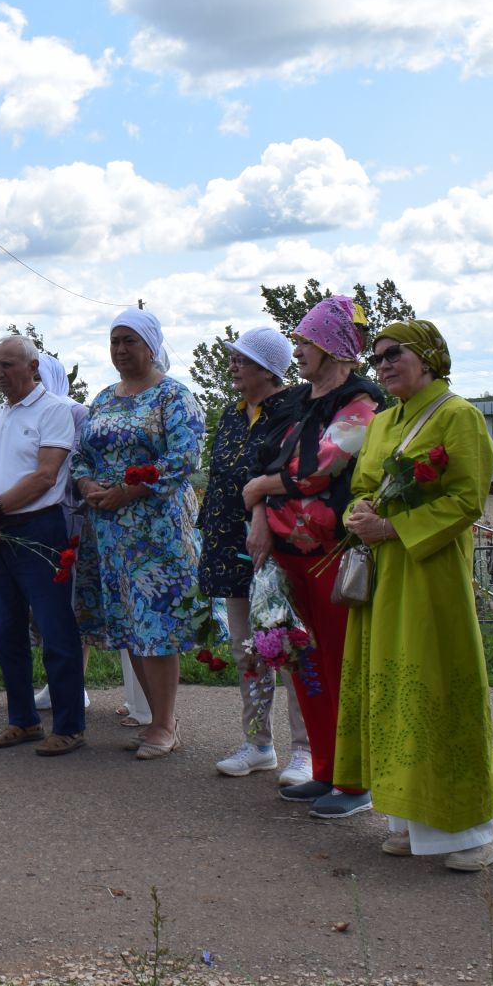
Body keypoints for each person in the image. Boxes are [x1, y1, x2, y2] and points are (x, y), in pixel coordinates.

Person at [337, 320, 493, 871]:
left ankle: (470, 832)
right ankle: (407, 817)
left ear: (428, 357)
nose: (381, 365)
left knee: (434, 684)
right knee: (392, 687)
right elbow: (361, 486)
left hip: (429, 576)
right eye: (376, 357)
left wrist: (396, 530)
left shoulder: (460, 416)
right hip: (385, 575)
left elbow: (467, 499)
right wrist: (357, 515)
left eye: (393, 354)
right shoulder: (382, 422)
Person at [245, 296, 382, 818]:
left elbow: (320, 467)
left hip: (332, 556)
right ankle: (324, 768)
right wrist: (258, 503)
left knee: (340, 665)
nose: (297, 351)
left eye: (306, 342)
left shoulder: (360, 406)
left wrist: (259, 487)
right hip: (286, 552)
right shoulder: (298, 402)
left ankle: (354, 781)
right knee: (305, 665)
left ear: (333, 348)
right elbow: (262, 464)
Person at [71, 309, 206, 760]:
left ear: (151, 344)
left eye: (130, 341)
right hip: (109, 529)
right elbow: (82, 453)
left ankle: (165, 724)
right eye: (114, 342)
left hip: (155, 527)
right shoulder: (105, 397)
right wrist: (88, 484)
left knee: (157, 625)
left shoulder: (173, 396)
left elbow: (185, 456)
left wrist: (129, 490)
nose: (121, 350)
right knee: (130, 622)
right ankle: (154, 719)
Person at [195, 328, 311, 782]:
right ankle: (258, 741)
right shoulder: (232, 413)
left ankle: (306, 748)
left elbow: (288, 474)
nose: (232, 366)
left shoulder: (294, 409)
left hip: (275, 546)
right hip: (229, 545)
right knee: (247, 648)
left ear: (268, 367)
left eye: (241, 359)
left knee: (286, 646)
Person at [0, 333, 87, 754]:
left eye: (9, 365)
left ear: (33, 367)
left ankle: (70, 724)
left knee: (55, 629)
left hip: (38, 530)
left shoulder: (54, 412)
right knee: (4, 630)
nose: (0, 373)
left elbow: (45, 475)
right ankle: (23, 719)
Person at [32, 352, 96, 719]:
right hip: (36, 515)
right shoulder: (23, 413)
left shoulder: (76, 413)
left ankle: (76, 684)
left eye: (41, 375)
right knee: (43, 606)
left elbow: (85, 461)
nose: (36, 383)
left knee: (72, 602)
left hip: (71, 515)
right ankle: (56, 681)